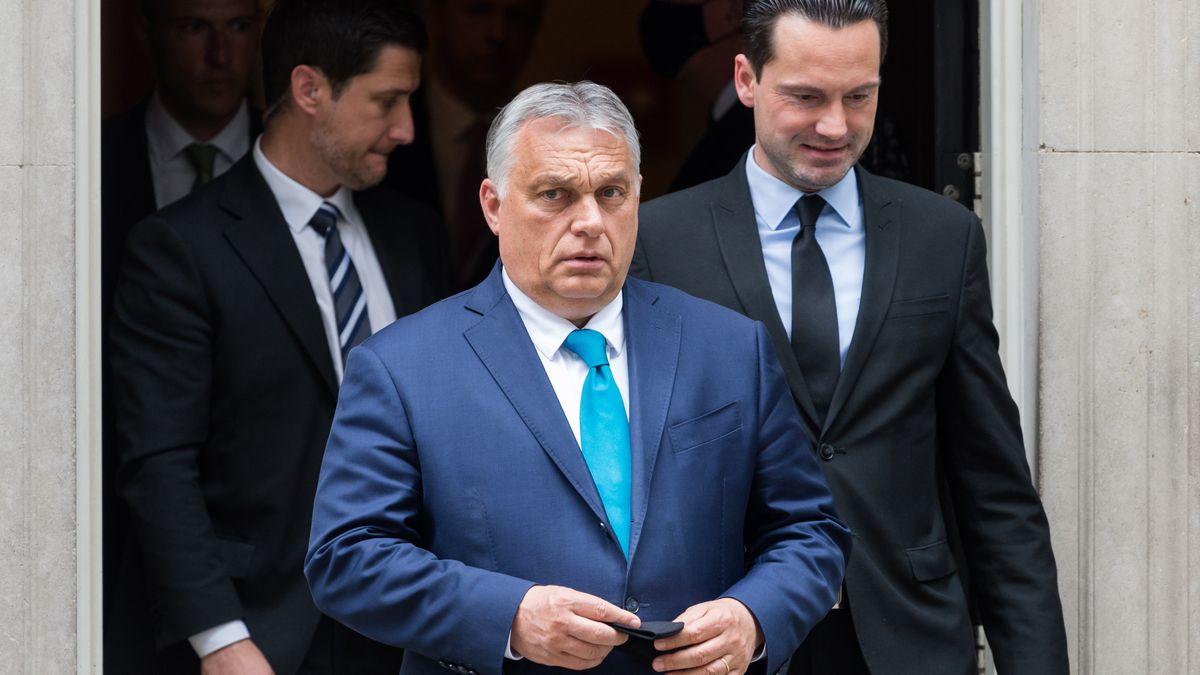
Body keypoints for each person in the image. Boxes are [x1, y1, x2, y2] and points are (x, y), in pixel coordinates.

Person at [305, 81, 850, 675]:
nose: (589, 222)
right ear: (493, 205)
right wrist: (509, 617)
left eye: (610, 193)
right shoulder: (402, 366)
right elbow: (346, 558)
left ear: (637, 197)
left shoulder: (729, 347)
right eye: (555, 194)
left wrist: (753, 618)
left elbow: (809, 532)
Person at [633, 2, 1069, 674]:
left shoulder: (942, 237)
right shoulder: (657, 242)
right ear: (746, 80)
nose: (835, 126)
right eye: (806, 97)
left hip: (908, 635)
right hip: (726, 636)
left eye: (859, 96)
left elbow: (994, 486)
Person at [107, 0, 445, 672]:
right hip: (261, 631)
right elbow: (160, 463)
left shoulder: (414, 234)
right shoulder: (180, 247)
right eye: (386, 101)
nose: (406, 129)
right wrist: (219, 637)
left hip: (408, 622)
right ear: (309, 89)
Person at [100, 0, 262, 615]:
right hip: (115, 511)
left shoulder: (308, 172)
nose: (221, 56)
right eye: (195, 28)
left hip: (277, 547)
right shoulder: (88, 163)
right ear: (148, 33)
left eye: (239, 28)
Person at [384, 0, 545, 292]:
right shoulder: (383, 130)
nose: (498, 33)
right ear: (436, 17)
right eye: (478, 10)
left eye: (517, 17)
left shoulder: (552, 140)